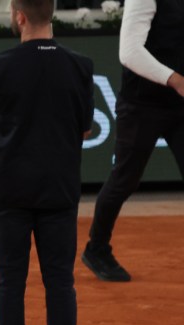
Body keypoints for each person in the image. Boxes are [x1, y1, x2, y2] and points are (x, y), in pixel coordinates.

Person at [0, 0, 94, 325]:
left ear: (20, 16)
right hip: (59, 190)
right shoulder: (79, 66)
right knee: (60, 282)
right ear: (51, 13)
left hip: (8, 190)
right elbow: (83, 130)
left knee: (9, 281)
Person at [81, 0, 184, 282]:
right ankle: (97, 249)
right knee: (125, 179)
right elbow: (129, 52)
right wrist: (175, 79)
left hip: (179, 105)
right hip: (141, 105)